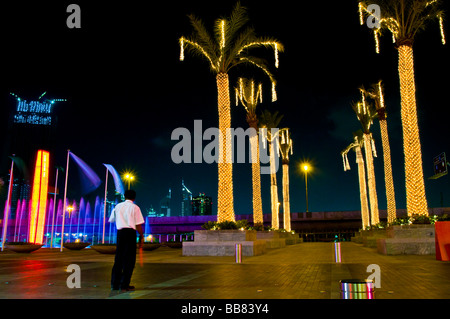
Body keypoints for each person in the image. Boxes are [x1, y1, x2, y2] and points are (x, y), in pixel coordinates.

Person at [109, 189, 144, 292]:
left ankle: (115, 284)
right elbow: (138, 224)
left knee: (118, 259)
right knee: (129, 260)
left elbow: (111, 220)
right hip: (130, 234)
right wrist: (141, 236)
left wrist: (121, 219)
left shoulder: (117, 206)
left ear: (124, 196)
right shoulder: (135, 208)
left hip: (120, 233)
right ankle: (124, 285)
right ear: (134, 197)